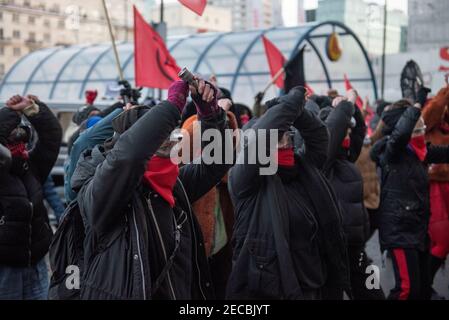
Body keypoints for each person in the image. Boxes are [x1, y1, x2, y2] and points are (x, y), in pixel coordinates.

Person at [71, 79, 233, 299]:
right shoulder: (100, 190)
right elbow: (129, 157)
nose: (170, 143)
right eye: (160, 138)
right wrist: (172, 105)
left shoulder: (174, 185)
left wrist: (210, 114)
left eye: (170, 136)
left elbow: (217, 161)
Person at [226, 87, 350, 300]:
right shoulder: (246, 181)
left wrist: (297, 112)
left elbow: (320, 136)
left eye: (287, 135)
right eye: (277, 137)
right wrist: (288, 105)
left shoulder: (305, 167)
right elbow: (259, 140)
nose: (285, 141)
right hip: (273, 291)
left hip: (315, 286)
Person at [371, 88, 449, 300]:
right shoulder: (393, 152)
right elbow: (401, 133)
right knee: (406, 290)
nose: (421, 132)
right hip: (400, 231)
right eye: (416, 130)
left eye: (422, 129)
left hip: (417, 230)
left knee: (421, 289)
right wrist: (416, 105)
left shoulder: (421, 152)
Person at [319, 91, 385, 300]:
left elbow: (359, 133)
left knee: (374, 294)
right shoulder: (321, 161)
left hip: (356, 249)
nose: (348, 136)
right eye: (344, 131)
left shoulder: (346, 157)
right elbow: (335, 130)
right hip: (331, 251)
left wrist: (353, 108)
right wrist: (346, 105)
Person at [0, 94, 62, 299]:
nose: (18, 139)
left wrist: (33, 109)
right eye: (11, 135)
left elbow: (52, 138)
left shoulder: (30, 167)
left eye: (20, 134)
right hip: (5, 270)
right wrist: (11, 113)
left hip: (35, 265)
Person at [421, 76, 449, 295]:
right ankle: (425, 285)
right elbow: (429, 115)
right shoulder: (431, 118)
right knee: (441, 240)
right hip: (436, 185)